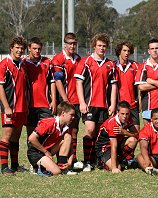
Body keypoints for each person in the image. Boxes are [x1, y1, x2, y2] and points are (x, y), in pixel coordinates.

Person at [75, 33, 117, 171]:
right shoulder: (86, 62)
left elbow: (114, 86)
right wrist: (82, 102)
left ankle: (98, 160)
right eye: (99, 45)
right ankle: (87, 161)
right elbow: (79, 83)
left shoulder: (110, 64)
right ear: (94, 46)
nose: (102, 48)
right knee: (90, 130)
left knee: (100, 134)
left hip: (104, 105)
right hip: (90, 104)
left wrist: (112, 104)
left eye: (104, 46)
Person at [52, 33, 82, 169]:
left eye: (74, 43)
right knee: (62, 131)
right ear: (65, 44)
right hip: (65, 101)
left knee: (74, 130)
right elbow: (57, 81)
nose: (72, 46)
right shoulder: (58, 59)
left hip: (76, 100)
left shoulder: (79, 59)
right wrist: (65, 100)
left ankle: (73, 158)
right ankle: (61, 159)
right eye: (70, 43)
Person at [0, 36, 28, 176]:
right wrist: (6, 106)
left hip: (21, 107)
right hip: (9, 106)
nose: (19, 50)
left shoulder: (23, 64)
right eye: (17, 47)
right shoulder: (4, 64)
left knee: (16, 137)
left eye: (22, 48)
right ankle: (4, 167)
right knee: (7, 135)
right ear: (11, 48)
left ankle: (15, 165)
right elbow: (0, 88)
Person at [27, 101, 77, 176]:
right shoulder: (49, 123)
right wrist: (45, 152)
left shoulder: (66, 127)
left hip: (47, 151)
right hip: (36, 153)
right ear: (63, 113)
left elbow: (71, 147)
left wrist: (69, 162)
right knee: (56, 172)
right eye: (71, 115)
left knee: (68, 137)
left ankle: (62, 166)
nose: (73, 117)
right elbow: (31, 139)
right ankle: (36, 167)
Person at [23, 37, 56, 137]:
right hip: (30, 105)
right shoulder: (23, 63)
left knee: (46, 134)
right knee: (31, 135)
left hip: (45, 105)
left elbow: (52, 82)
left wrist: (53, 100)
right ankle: (32, 153)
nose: (37, 51)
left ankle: (44, 153)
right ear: (29, 48)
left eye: (39, 49)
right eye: (34, 48)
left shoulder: (47, 62)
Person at [95, 101, 138, 173]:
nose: (125, 116)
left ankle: (121, 160)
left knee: (133, 140)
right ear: (117, 112)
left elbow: (137, 135)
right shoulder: (112, 123)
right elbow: (113, 146)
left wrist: (125, 132)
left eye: (127, 114)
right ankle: (100, 161)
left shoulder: (129, 119)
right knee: (118, 168)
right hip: (104, 148)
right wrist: (114, 168)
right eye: (122, 114)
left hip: (117, 143)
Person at [114, 41, 140, 131]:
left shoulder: (135, 66)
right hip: (117, 106)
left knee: (135, 134)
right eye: (124, 50)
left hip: (132, 106)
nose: (127, 53)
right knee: (116, 134)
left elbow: (140, 86)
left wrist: (138, 101)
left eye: (128, 51)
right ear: (119, 51)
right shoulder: (113, 66)